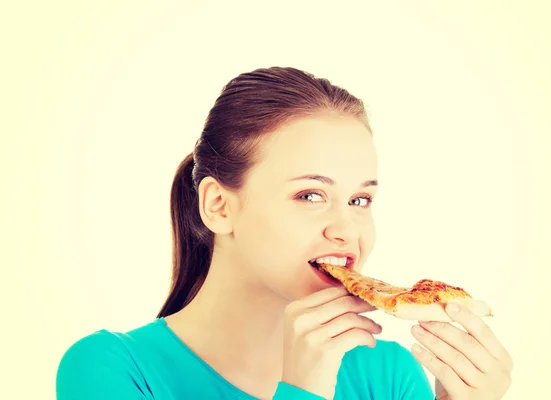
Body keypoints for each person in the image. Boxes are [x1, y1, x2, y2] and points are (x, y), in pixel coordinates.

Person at [56, 67, 513, 400]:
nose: (346, 229)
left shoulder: (388, 371)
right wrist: (302, 390)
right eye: (311, 195)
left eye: (360, 201)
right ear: (219, 205)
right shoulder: (110, 369)